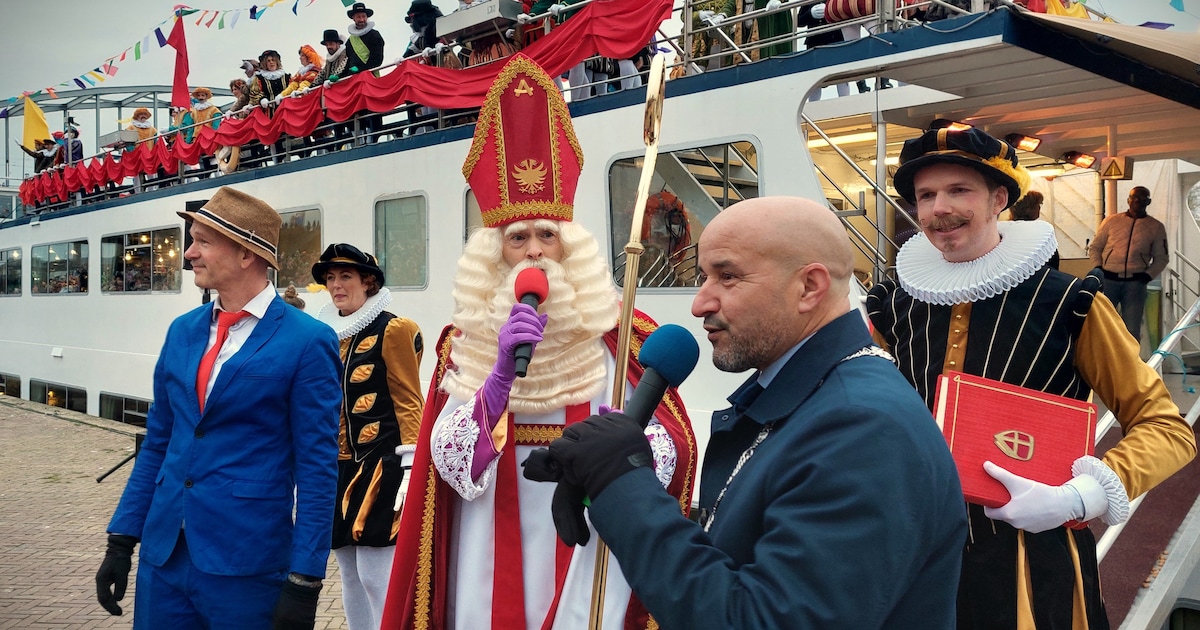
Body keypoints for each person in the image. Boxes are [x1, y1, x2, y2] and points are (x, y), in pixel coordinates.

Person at [532, 196, 966, 627]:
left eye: (728, 276)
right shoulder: (810, 399)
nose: (699, 303)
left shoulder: (863, 429)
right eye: (704, 276)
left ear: (809, 287)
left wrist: (622, 483)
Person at [379, 55, 697, 630]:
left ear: (567, 244)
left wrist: (628, 441)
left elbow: (669, 451)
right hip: (484, 542)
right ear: (493, 252)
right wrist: (495, 383)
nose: (532, 251)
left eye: (546, 235)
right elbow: (448, 468)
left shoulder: (622, 331)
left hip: (590, 542)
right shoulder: (464, 341)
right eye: (517, 237)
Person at [866, 127, 1196, 629]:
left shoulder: (1072, 304)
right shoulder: (894, 307)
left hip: (1033, 563)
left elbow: (1166, 428)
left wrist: (1079, 496)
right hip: (914, 551)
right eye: (926, 195)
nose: (938, 209)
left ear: (1000, 198)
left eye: (959, 190)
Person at [94, 186, 343, 628]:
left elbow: (317, 468)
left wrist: (305, 580)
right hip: (164, 557)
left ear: (247, 253)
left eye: (203, 241)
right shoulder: (182, 331)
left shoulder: (306, 341)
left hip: (247, 564)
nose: (189, 253)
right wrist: (121, 539)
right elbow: (159, 443)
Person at [311, 243, 425, 630]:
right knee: (348, 574)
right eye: (330, 278)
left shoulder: (393, 329)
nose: (336, 285)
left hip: (382, 467)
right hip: (337, 469)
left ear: (368, 282)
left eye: (345, 276)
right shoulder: (326, 335)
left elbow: (410, 400)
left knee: (377, 576)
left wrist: (412, 464)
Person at [1088, 185, 1169, 341]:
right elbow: (1095, 247)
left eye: (1142, 198)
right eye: (1134, 197)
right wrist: (1098, 268)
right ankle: (1102, 361)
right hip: (1108, 280)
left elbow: (1162, 258)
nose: (1137, 201)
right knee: (1102, 323)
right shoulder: (1111, 221)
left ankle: (1129, 363)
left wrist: (1147, 276)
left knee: (1132, 327)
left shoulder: (1156, 227)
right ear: (1128, 200)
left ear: (1148, 201)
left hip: (1135, 284)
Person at [344, 2, 386, 141]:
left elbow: (377, 60)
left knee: (373, 108)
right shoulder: (350, 42)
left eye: (363, 16)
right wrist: (339, 76)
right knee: (357, 109)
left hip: (371, 79)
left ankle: (375, 137)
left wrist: (360, 69)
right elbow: (347, 63)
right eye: (358, 17)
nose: (361, 19)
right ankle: (359, 137)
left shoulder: (374, 35)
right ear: (353, 18)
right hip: (355, 83)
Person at [1008, 189, 1059, 269]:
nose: (1039, 208)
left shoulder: (1004, 231)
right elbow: (1053, 260)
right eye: (1038, 205)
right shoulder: (1041, 232)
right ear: (1029, 208)